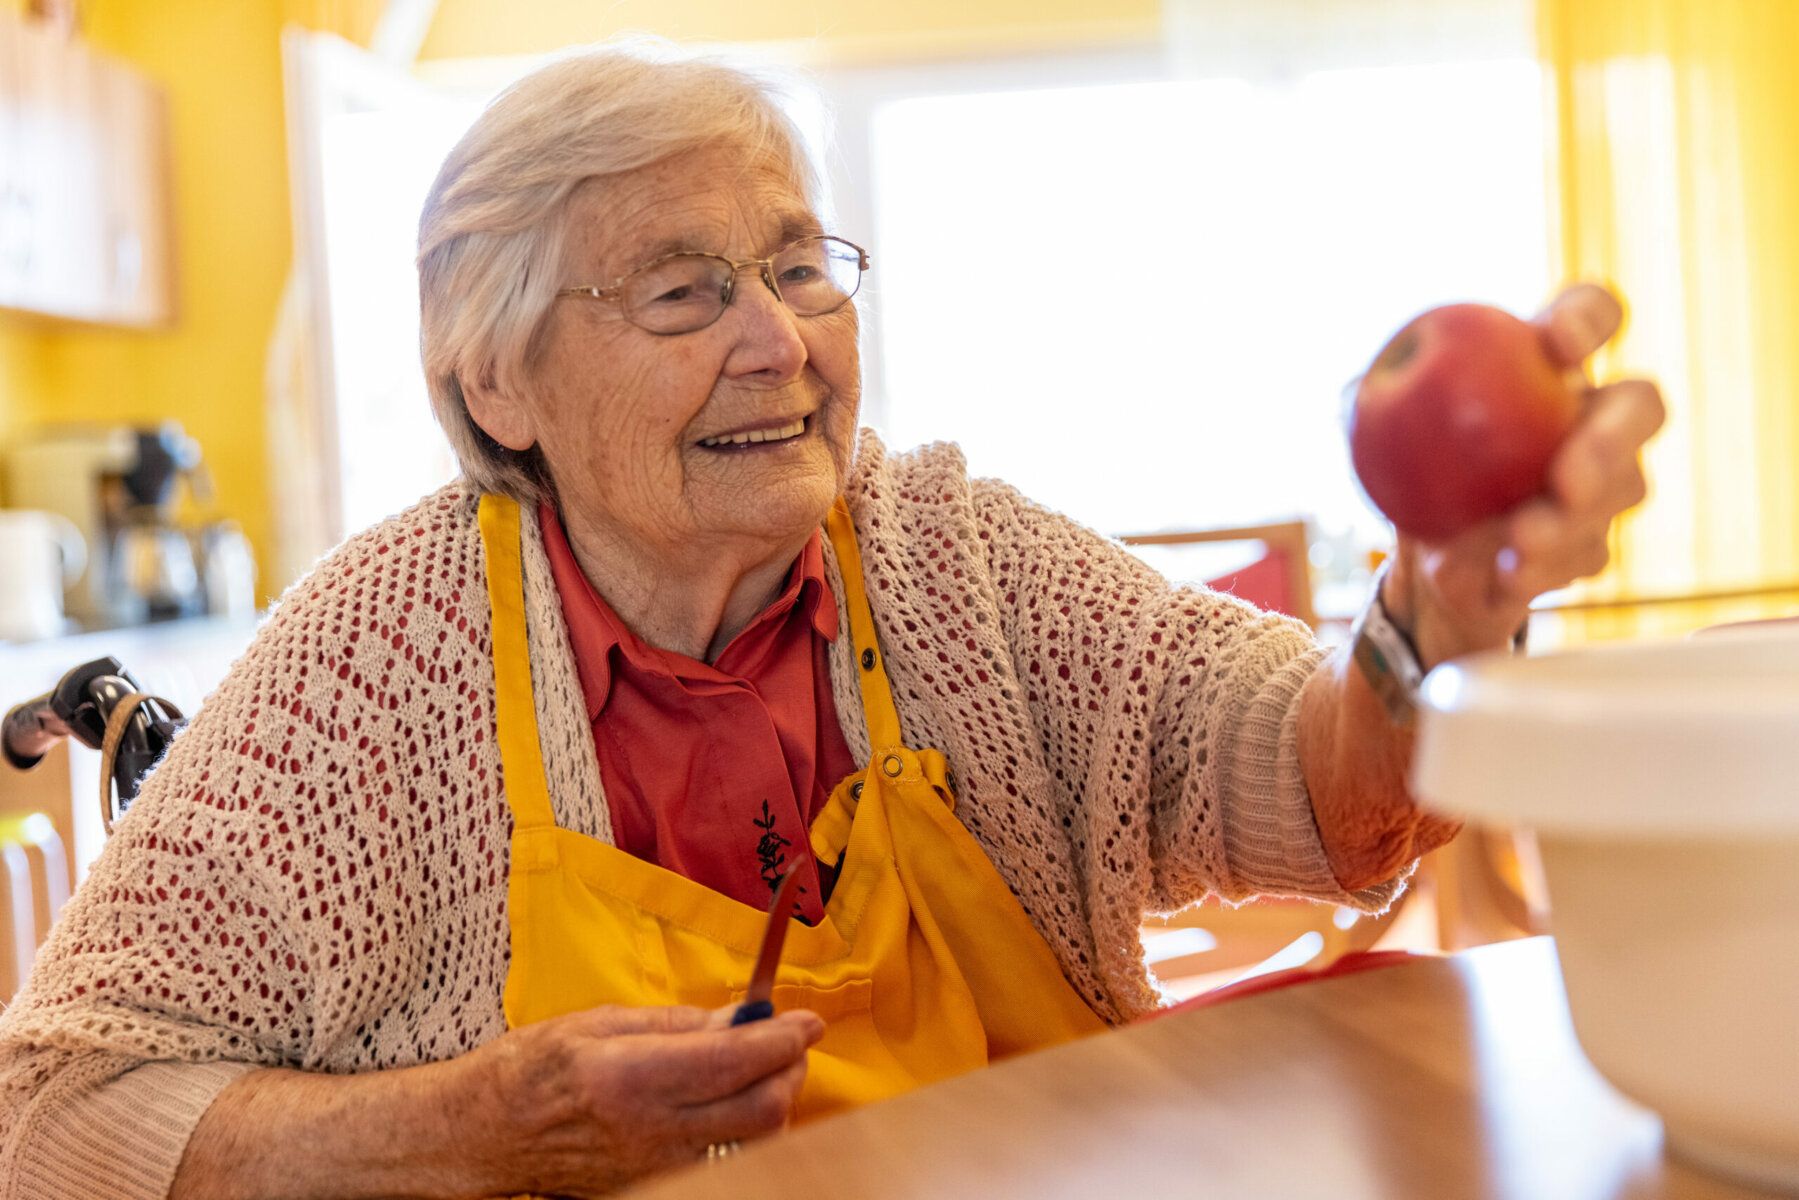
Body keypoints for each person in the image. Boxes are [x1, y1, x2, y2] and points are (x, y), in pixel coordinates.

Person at [0, 45, 1662, 1200]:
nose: (782, 345)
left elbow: (1310, 791)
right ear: (497, 378)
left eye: (801, 270)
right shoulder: (368, 674)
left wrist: (1427, 620)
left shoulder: (947, 553)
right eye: (682, 290)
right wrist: (480, 1127)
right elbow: (52, 1115)